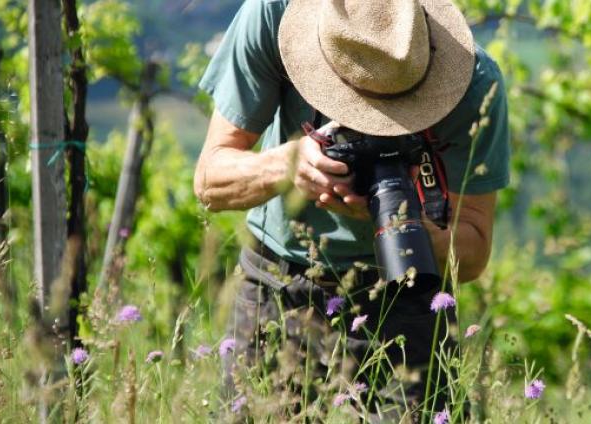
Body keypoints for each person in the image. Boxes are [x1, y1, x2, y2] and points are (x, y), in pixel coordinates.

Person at [193, 0, 509, 420]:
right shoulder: (274, 14)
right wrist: (288, 166)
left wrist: (402, 226)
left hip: (407, 291)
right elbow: (210, 181)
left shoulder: (474, 82)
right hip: (281, 279)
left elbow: (473, 252)